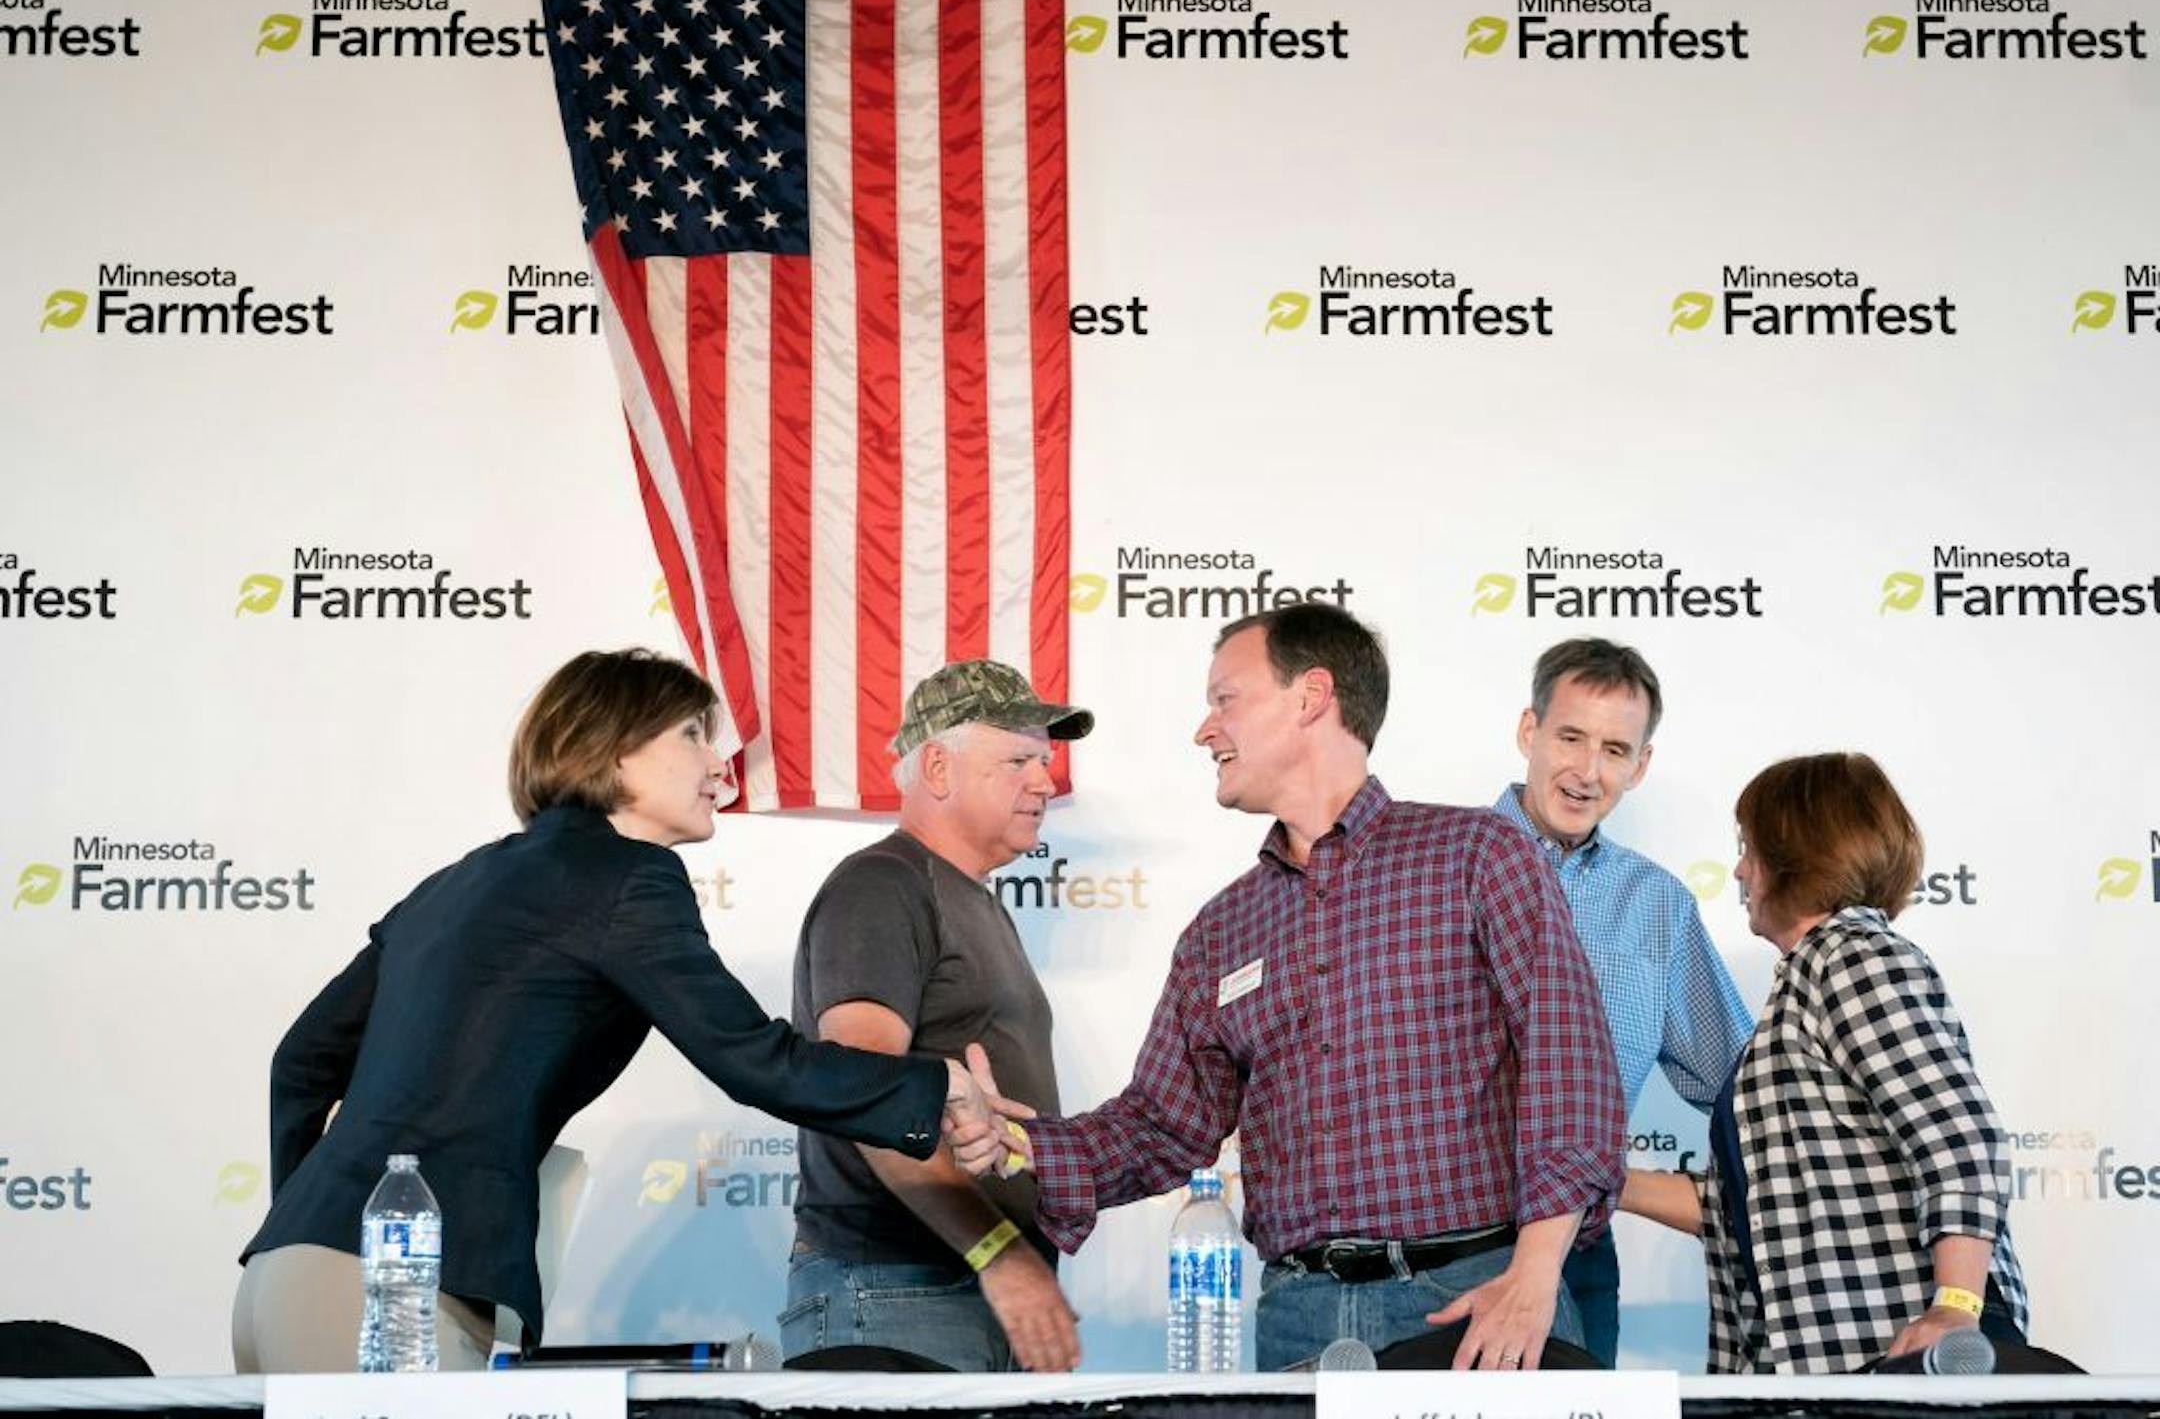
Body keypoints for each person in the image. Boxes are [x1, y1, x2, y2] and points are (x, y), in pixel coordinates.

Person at [232, 648, 1008, 1373]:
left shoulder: (460, 878)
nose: (719, 762)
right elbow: (755, 1059)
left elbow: (301, 1063)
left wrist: (313, 1222)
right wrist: (934, 1087)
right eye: (692, 734)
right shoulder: (629, 876)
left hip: (287, 1280)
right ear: (612, 751)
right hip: (394, 1290)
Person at [990, 603, 1626, 1372]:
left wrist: (1533, 1275)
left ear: (1310, 696)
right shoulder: (1220, 929)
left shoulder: (1477, 856)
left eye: (1225, 698)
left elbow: (1571, 1069)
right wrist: (1016, 1141)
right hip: (1300, 1320)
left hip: (1478, 1304)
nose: (1205, 728)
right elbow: (1163, 1124)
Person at [1617, 753, 2029, 1373]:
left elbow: (1960, 1139)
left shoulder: (1852, 958)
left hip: (1899, 1364)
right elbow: (1749, 1208)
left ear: (1796, 856)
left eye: (1750, 849)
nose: (1738, 870)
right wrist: (1603, 1178)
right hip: (1825, 1364)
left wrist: (1956, 1306)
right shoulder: (1807, 981)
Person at [782, 660, 1091, 1373]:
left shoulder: (972, 901)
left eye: (1045, 760)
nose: (1045, 781)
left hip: (963, 1292)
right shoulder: (883, 885)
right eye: (1019, 759)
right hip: (899, 1292)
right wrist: (996, 1249)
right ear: (940, 767)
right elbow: (867, 1091)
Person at [1495, 638, 1752, 1365]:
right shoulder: (1439, 865)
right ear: (1529, 731)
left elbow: (1746, 1090)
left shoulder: (1658, 906)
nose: (1586, 770)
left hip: (1577, 1252)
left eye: (1614, 749)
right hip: (1430, 1244)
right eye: (1570, 737)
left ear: (1640, 765)